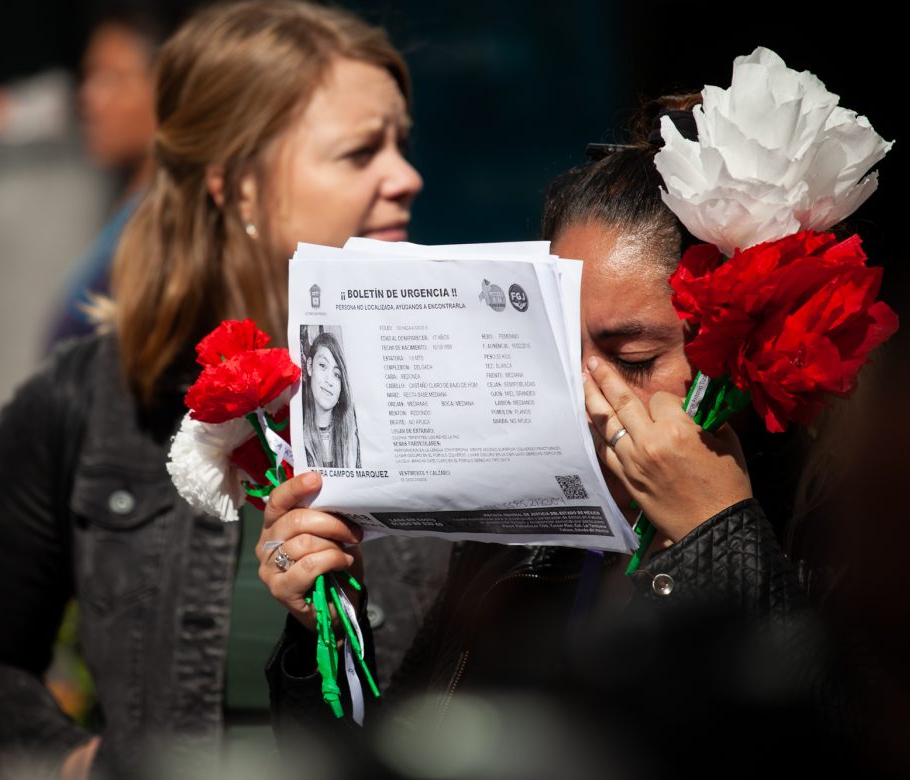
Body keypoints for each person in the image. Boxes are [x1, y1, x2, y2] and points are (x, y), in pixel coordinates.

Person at [259, 96, 849, 774]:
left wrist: (717, 535)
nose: (589, 396)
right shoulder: (516, 540)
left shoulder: (844, 540)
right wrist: (328, 636)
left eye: (634, 360)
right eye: (556, 352)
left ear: (745, 347)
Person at [0, 2, 435, 777]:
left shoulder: (452, 376)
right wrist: (71, 763)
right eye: (359, 151)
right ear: (236, 185)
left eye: (401, 142)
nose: (405, 176)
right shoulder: (90, 399)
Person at [45, 8, 165, 348]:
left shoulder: (169, 232)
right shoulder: (130, 210)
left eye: (112, 78)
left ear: (166, 89)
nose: (89, 97)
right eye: (89, 77)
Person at [302, 329, 361, 469]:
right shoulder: (298, 436)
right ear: (310, 367)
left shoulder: (353, 440)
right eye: (323, 366)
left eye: (337, 375)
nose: (330, 381)